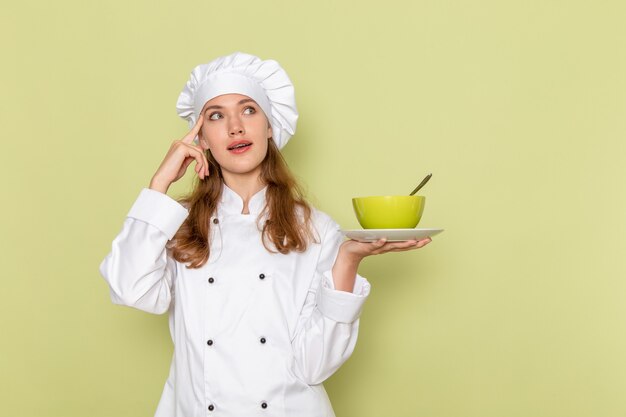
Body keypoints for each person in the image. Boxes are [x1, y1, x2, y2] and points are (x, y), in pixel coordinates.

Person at [99, 51, 432, 417]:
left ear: (270, 126)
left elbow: (315, 366)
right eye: (216, 116)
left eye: (248, 110)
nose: (235, 128)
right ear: (201, 138)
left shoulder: (316, 229)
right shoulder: (177, 223)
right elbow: (129, 289)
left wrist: (348, 259)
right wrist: (158, 185)